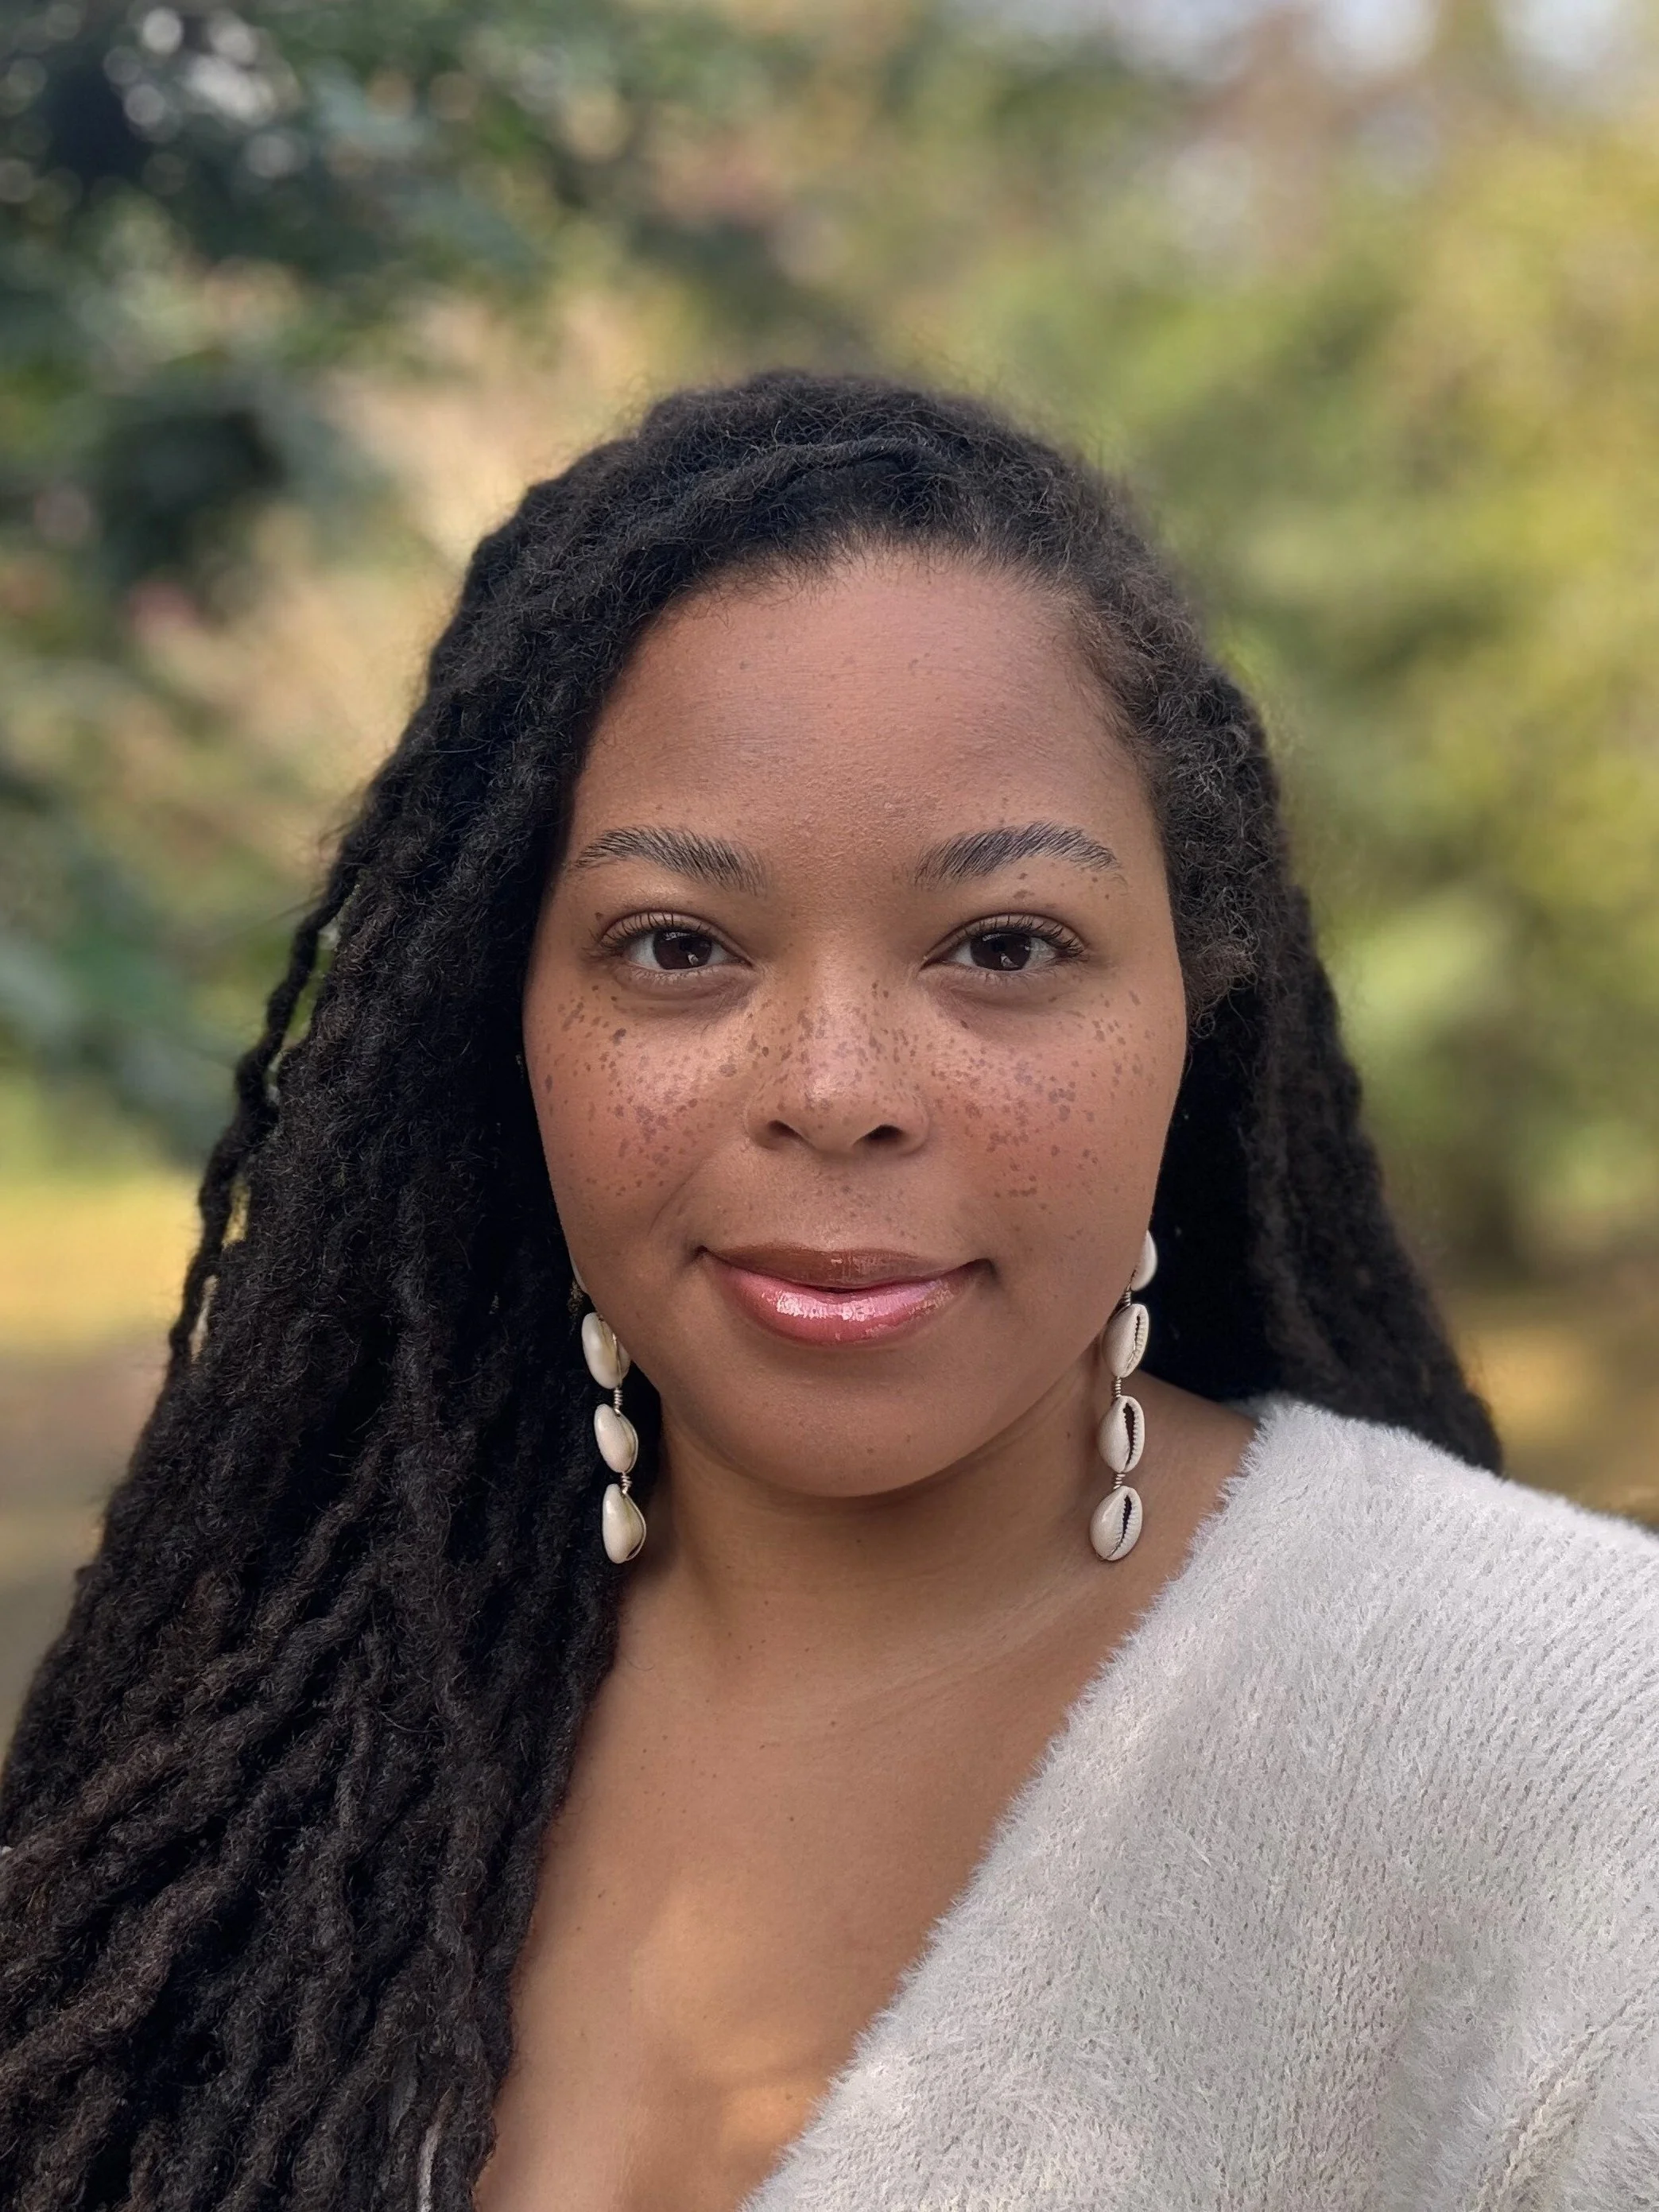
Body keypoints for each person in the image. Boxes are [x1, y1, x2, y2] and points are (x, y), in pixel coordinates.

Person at [2, 372, 1655, 2212]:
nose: (836, 1081)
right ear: (512, 1017)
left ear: (1198, 1001)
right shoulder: (305, 1734)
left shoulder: (1574, 1749)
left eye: (1004, 945)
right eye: (678, 946)